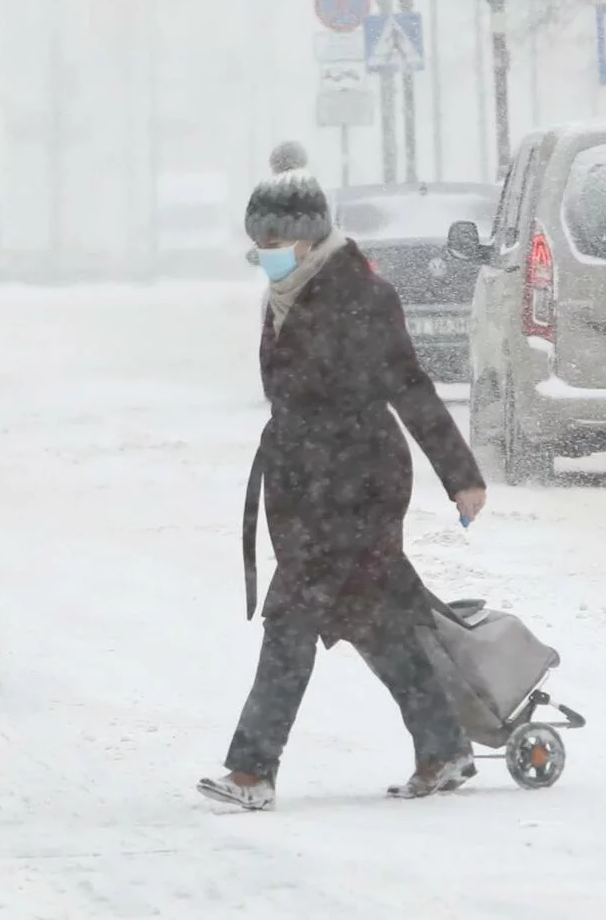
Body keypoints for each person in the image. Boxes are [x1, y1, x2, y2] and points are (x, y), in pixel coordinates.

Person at [199, 142, 486, 813]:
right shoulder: (285, 292)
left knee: (291, 618)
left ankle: (252, 770)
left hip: (357, 482)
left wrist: (461, 475)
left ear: (307, 236)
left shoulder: (360, 294)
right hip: (309, 480)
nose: (264, 252)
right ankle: (443, 746)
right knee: (374, 619)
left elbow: (408, 383)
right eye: (258, 242)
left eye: (273, 241)